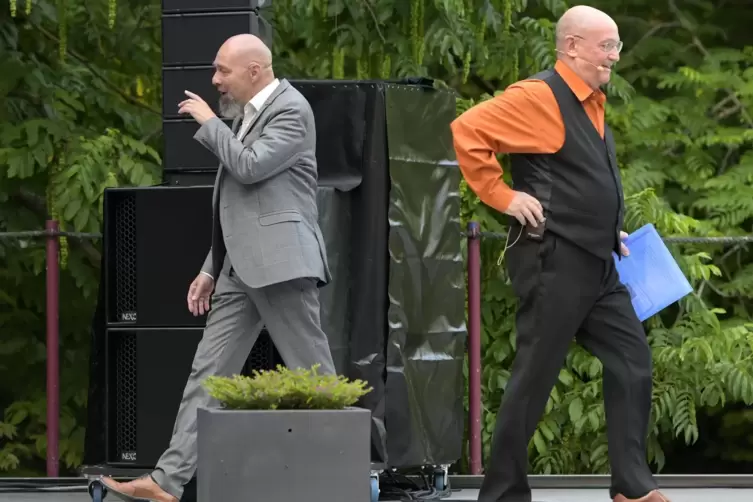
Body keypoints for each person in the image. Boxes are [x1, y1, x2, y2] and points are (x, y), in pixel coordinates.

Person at [99, 34, 336, 502]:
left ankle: (350, 473)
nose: (215, 82)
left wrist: (209, 123)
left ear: (255, 71)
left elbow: (249, 168)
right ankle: (167, 481)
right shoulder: (248, 117)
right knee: (207, 376)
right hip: (239, 270)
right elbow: (240, 207)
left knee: (315, 375)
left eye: (222, 71)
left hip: (282, 265)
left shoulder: (292, 110)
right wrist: (211, 268)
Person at [451, 5, 670, 502]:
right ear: (571, 46)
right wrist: (504, 196)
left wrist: (609, 228)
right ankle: (503, 494)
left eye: (616, 45)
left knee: (632, 360)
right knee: (535, 377)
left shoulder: (593, 99)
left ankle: (632, 486)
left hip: (597, 261)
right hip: (553, 259)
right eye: (606, 45)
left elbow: (582, 177)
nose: (615, 55)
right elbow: (467, 130)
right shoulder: (537, 96)